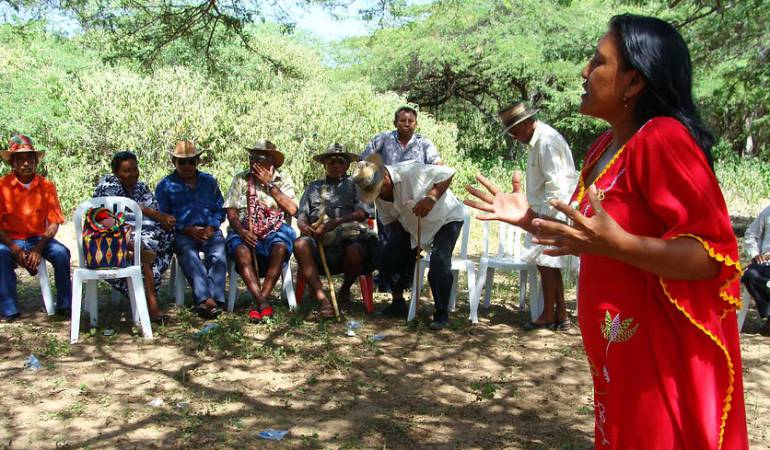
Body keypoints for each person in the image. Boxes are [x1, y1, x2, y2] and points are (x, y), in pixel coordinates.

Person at [465, 14, 748, 449]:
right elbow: (590, 238)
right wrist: (529, 218)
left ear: (634, 81)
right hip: (618, 358)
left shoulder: (662, 138)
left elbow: (711, 256)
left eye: (598, 61)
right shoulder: (603, 147)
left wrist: (620, 245)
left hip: (658, 359)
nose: (584, 71)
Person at [352, 155, 463, 330]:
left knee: (439, 262)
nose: (379, 195)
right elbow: (393, 224)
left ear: (385, 176)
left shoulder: (410, 171)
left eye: (379, 189)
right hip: (414, 228)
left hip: (445, 220)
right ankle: (398, 303)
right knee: (388, 255)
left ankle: (441, 313)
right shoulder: (380, 198)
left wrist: (432, 198)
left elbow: (447, 173)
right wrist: (406, 249)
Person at [498, 102, 577, 330]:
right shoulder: (537, 140)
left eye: (515, 131)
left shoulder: (546, 141)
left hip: (551, 212)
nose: (514, 137)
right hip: (543, 211)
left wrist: (548, 219)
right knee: (547, 265)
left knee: (547, 263)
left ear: (526, 124)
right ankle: (560, 314)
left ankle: (548, 315)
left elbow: (556, 185)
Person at [360, 106, 442, 294]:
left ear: (416, 124)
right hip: (387, 198)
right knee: (387, 240)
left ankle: (407, 282)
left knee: (412, 241)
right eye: (402, 120)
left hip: (414, 201)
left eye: (410, 121)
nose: (406, 124)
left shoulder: (424, 143)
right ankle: (387, 284)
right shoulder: (382, 139)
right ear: (395, 123)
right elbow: (364, 162)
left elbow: (438, 166)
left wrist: (431, 193)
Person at [93, 151, 176, 324]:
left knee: (165, 234)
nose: (132, 174)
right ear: (116, 172)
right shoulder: (109, 184)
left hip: (141, 236)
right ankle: (152, 306)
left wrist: (164, 219)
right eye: (127, 170)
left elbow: (154, 209)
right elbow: (109, 216)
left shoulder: (141, 187)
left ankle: (138, 253)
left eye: (135, 169)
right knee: (143, 251)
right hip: (110, 239)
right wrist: (153, 214)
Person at [294, 143, 374, 318]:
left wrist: (335, 222)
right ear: (324, 164)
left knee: (356, 250)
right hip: (318, 243)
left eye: (340, 161)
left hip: (346, 241)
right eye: (331, 161)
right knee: (300, 244)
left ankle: (344, 290)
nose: (336, 165)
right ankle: (322, 298)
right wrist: (303, 225)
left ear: (347, 165)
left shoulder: (357, 186)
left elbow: (363, 213)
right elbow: (302, 214)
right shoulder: (313, 187)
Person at [223, 140, 297, 323]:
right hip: (244, 229)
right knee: (240, 250)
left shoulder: (283, 180)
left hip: (275, 230)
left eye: (260, 157)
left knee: (280, 247)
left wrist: (270, 184)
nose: (254, 161)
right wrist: (241, 231)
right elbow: (231, 212)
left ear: (272, 161)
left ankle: (260, 300)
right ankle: (263, 303)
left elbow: (293, 209)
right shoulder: (241, 179)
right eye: (252, 157)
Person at [0, 135, 71, 321]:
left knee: (62, 253)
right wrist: (14, 248)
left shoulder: (46, 186)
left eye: (29, 159)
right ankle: (9, 309)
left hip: (39, 239)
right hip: (10, 240)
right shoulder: (2, 186)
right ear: (12, 163)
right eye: (20, 159)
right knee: (1, 254)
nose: (26, 163)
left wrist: (38, 248)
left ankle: (65, 305)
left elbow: (54, 222)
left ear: (36, 161)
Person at [156, 141, 226, 320]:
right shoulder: (165, 185)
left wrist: (211, 227)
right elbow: (162, 216)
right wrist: (185, 228)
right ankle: (208, 300)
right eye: (182, 162)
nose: (187, 166)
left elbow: (220, 208)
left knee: (219, 252)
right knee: (188, 254)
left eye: (191, 161)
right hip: (182, 233)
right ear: (174, 162)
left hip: (209, 230)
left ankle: (211, 299)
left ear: (197, 162)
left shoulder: (209, 181)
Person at [741, 204, 770, 335]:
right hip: (766, 263)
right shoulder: (767, 212)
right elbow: (751, 234)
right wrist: (754, 254)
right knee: (751, 275)